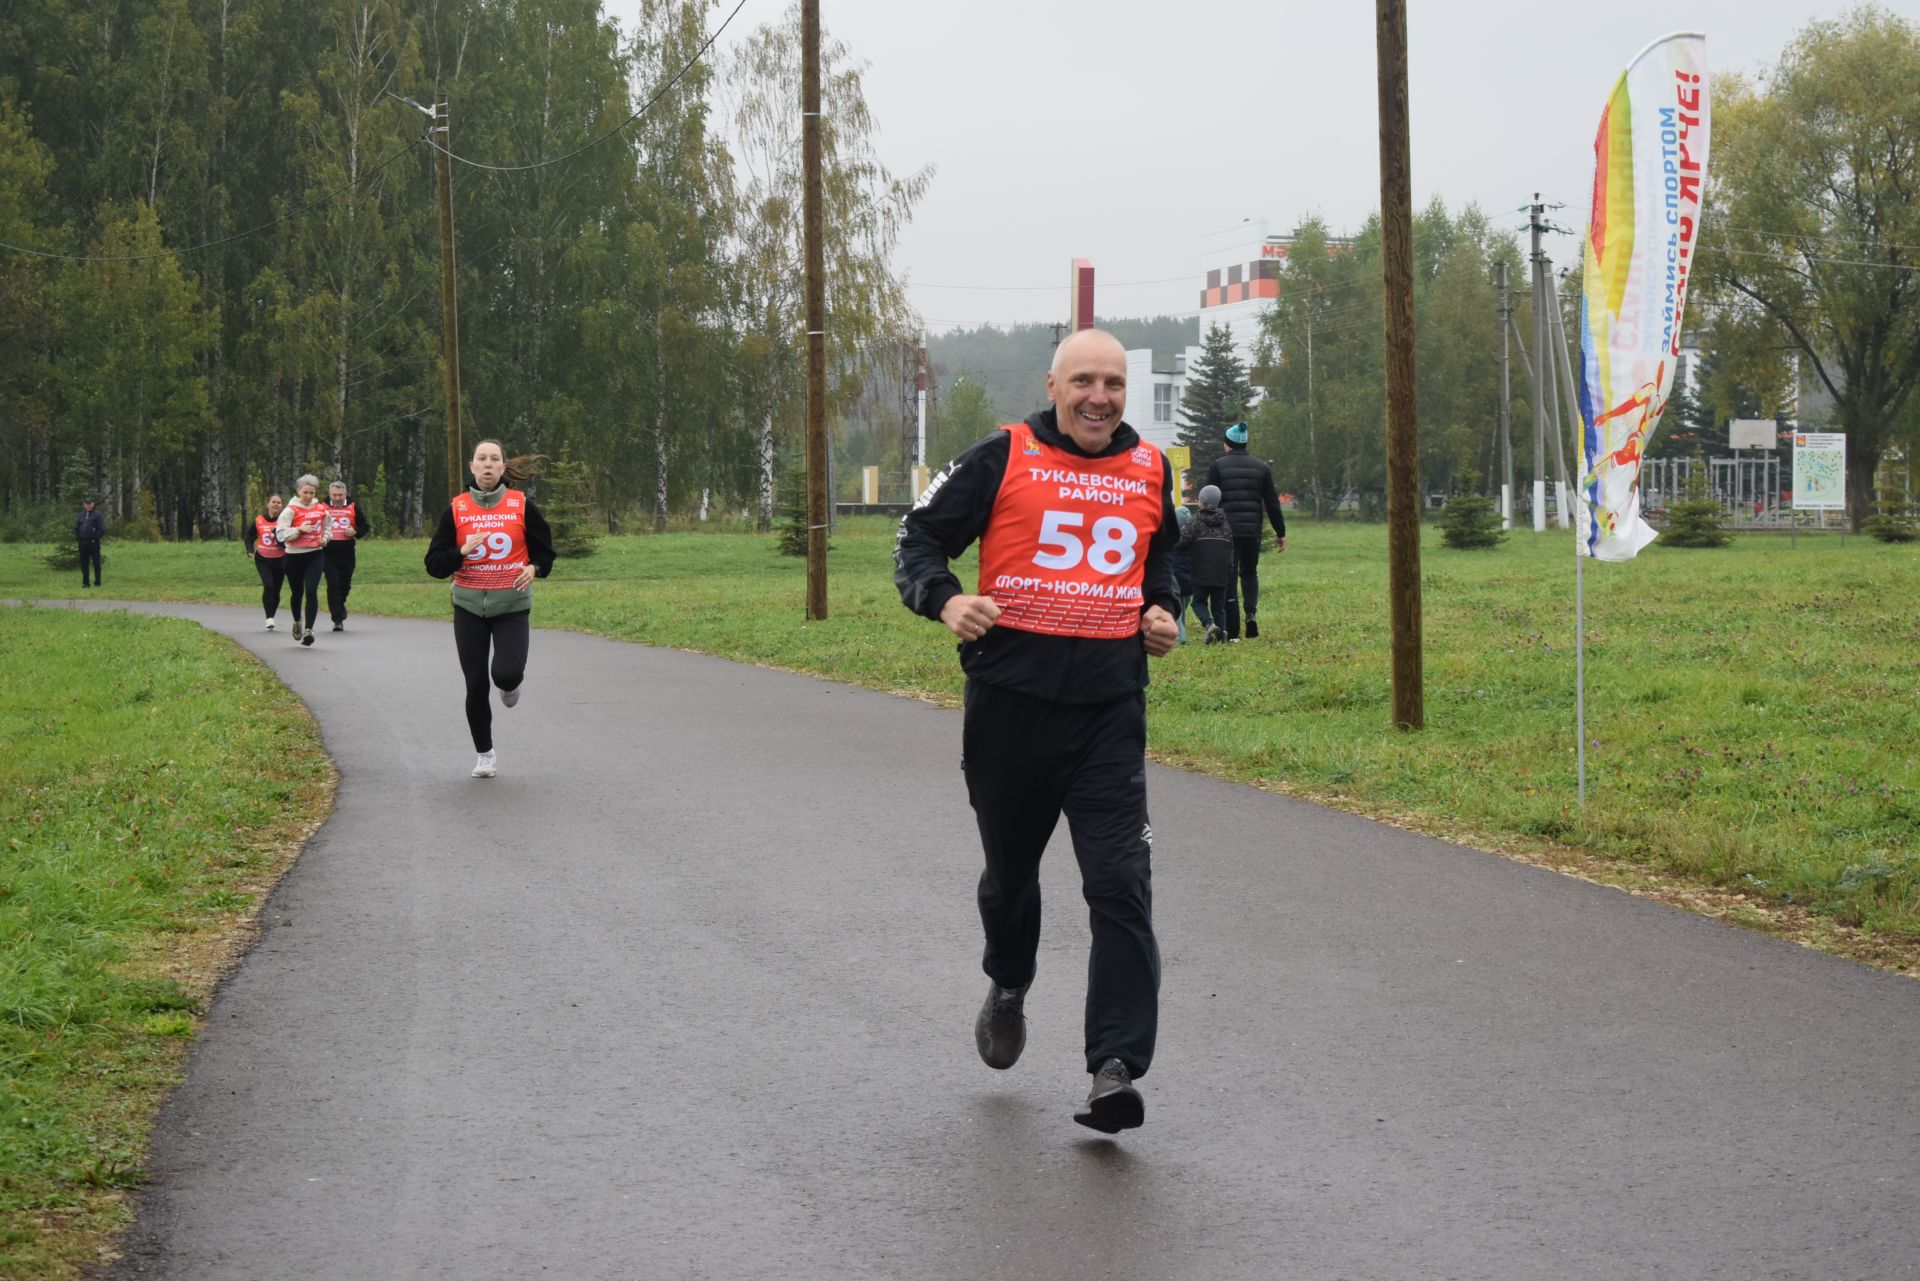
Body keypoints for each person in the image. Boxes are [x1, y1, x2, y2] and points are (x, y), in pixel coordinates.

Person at [894, 328, 1180, 1134]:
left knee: (1120, 887)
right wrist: (945, 599)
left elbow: (1164, 562)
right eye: (1085, 380)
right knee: (1009, 880)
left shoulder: (1153, 469)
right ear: (1053, 384)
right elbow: (917, 537)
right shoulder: (1002, 454)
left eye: (1115, 383)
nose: (1100, 397)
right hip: (1010, 711)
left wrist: (1164, 610)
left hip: (1108, 716)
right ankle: (1010, 977)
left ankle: (1114, 1067)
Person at [424, 440, 554, 779]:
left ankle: (510, 685)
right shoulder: (456, 509)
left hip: (511, 605)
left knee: (506, 675)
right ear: (471, 466)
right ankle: (485, 754)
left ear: (502, 467)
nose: (487, 465)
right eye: (481, 459)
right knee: (476, 684)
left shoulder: (521, 505)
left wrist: (534, 568)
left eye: (494, 459)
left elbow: (545, 553)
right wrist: (461, 551)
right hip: (468, 605)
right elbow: (434, 564)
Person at [1203, 421, 1287, 639]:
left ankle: (1233, 630)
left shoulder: (1217, 467)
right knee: (1249, 572)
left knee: (1229, 577)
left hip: (1226, 533)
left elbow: (1208, 502)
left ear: (1227, 443)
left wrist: (1204, 528)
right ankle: (1251, 615)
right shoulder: (1262, 468)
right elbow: (1272, 503)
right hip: (1252, 532)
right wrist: (1280, 532)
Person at [1179, 485, 1237, 644]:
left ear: (1202, 502)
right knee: (1219, 608)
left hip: (1201, 572)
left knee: (1198, 602)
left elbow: (1182, 541)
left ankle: (1209, 625)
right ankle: (1221, 637)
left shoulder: (1196, 522)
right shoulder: (1226, 525)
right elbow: (1230, 551)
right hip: (1221, 573)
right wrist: (1229, 573)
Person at [276, 475, 330, 645]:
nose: (308, 496)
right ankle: (297, 621)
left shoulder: (321, 509)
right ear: (298, 491)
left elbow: (328, 528)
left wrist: (325, 539)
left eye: (311, 492)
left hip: (315, 554)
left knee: (312, 590)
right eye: (305, 492)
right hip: (293, 556)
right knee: (297, 593)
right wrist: (299, 530)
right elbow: (280, 535)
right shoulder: (290, 510)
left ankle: (309, 630)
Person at [322, 480, 370, 631]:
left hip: (347, 551)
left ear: (345, 494)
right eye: (334, 495)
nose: (337, 498)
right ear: (330, 494)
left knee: (345, 585)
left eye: (340, 495)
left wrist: (355, 532)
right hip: (328, 552)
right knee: (333, 583)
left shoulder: (353, 506)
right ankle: (337, 619)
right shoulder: (321, 507)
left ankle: (340, 605)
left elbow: (365, 525)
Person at [243, 492, 288, 630]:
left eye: (279, 502)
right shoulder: (259, 520)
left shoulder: (285, 521)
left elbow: (286, 542)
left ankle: (272, 615)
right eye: (273, 502)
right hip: (263, 558)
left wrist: (277, 533)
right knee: (268, 585)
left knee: (276, 590)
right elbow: (249, 536)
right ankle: (269, 618)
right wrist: (250, 549)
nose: (276, 504)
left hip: (281, 559)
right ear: (268, 504)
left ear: (282, 506)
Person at [1170, 504, 1195, 644]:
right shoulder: (1193, 536)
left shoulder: (1173, 538)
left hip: (1176, 580)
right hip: (1189, 581)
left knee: (1176, 611)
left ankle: (1180, 638)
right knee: (1183, 610)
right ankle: (1182, 632)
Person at [74, 495, 106, 588]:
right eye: (86, 503)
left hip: (93, 543)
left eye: (90, 503)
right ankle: (85, 582)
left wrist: (95, 538)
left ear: (93, 504)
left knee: (96, 562)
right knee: (84, 563)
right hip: (82, 543)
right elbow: (76, 528)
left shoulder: (97, 515)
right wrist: (78, 538)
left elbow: (102, 529)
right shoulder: (81, 515)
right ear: (84, 505)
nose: (88, 505)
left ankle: (97, 582)